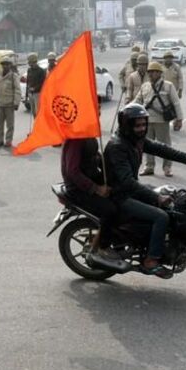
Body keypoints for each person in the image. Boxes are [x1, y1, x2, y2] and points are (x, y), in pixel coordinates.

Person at [103, 104, 186, 277]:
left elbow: (162, 149)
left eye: (144, 124)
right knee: (161, 216)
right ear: (127, 125)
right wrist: (155, 197)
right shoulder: (117, 146)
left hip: (131, 190)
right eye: (137, 125)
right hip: (120, 196)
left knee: (173, 198)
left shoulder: (135, 139)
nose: (142, 128)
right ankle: (151, 260)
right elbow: (127, 182)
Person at [61, 107, 116, 262]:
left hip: (91, 177)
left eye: (99, 109)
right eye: (95, 109)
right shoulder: (76, 136)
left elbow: (92, 156)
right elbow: (72, 171)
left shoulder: (88, 131)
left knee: (120, 193)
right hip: (79, 188)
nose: (98, 113)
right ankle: (101, 248)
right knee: (110, 210)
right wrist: (96, 189)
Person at [133, 61, 183, 176]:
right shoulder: (145, 86)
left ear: (160, 73)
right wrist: (128, 111)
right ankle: (149, 166)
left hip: (162, 121)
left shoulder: (168, 85)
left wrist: (179, 119)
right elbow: (137, 101)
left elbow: (176, 103)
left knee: (165, 145)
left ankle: (167, 167)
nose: (151, 74)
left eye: (155, 72)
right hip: (146, 121)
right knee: (147, 146)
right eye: (150, 72)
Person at [0, 57, 22, 147]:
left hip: (9, 104)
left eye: (7, 64)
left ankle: (8, 141)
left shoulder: (13, 76)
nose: (5, 66)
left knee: (10, 125)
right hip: (0, 103)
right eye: (3, 64)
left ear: (10, 65)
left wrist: (16, 103)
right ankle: (0, 140)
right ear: (2, 65)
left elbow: (17, 90)